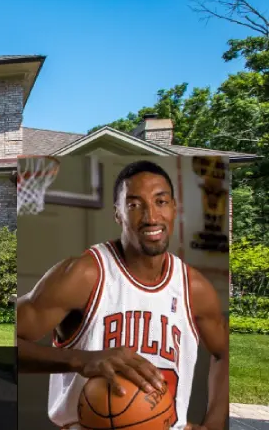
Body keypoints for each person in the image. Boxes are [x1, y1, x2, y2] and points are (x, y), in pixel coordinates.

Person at [16, 160, 229, 430]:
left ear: (174, 208)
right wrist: (80, 360)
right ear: (118, 214)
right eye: (134, 205)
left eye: (161, 202)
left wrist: (213, 424)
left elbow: (224, 352)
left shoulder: (194, 288)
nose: (151, 217)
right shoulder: (84, 276)